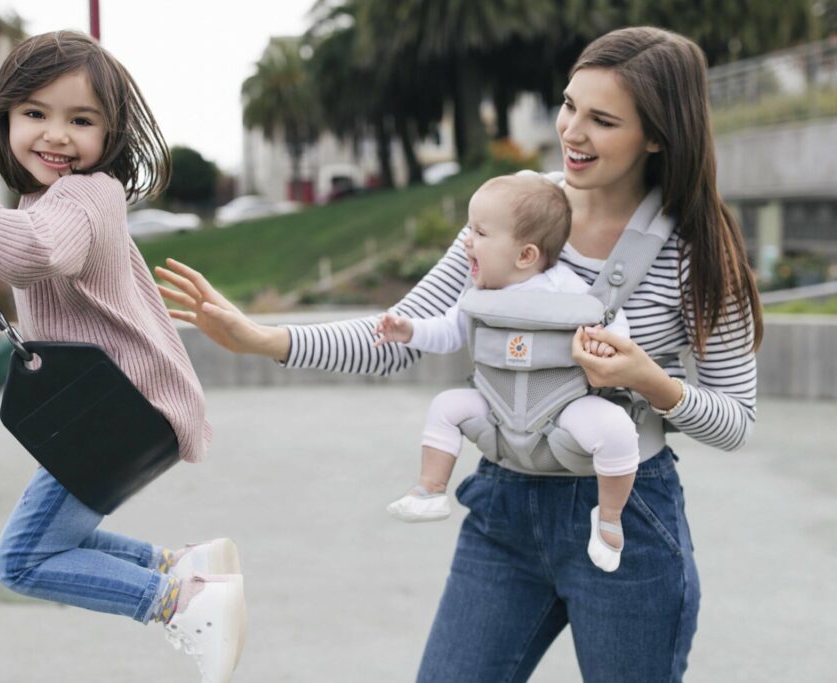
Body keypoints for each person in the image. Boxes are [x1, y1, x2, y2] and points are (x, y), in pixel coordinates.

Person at [157, 25, 762, 682]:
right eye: (569, 105)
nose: (572, 131)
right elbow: (402, 333)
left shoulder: (699, 250)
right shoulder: (518, 209)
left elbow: (735, 420)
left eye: (603, 120)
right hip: (504, 509)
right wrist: (265, 338)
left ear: (657, 136)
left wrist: (651, 382)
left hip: (627, 517)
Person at [0, 31, 245, 683]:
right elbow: (24, 241)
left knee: (22, 560)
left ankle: (178, 602)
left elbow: (32, 253)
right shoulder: (51, 199)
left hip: (117, 409)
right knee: (54, 539)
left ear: (111, 132)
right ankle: (176, 567)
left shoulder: (84, 196)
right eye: (35, 113)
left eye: (81, 120)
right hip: (119, 406)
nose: (57, 135)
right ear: (6, 119)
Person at [374, 174, 638, 573]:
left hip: (562, 407)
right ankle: (430, 488)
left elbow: (609, 317)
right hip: (496, 406)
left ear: (525, 255)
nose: (467, 241)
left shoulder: (563, 288)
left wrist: (608, 344)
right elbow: (447, 332)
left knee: (616, 429)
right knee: (446, 406)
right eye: (469, 229)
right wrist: (407, 331)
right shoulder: (477, 296)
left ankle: (610, 517)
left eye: (480, 233)